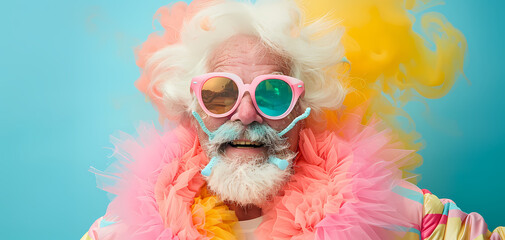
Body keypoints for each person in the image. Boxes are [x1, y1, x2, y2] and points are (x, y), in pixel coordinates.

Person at [82, 0, 504, 239]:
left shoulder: (391, 209)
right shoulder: (123, 230)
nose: (246, 114)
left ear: (304, 110)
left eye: (272, 92)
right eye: (220, 92)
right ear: (193, 109)